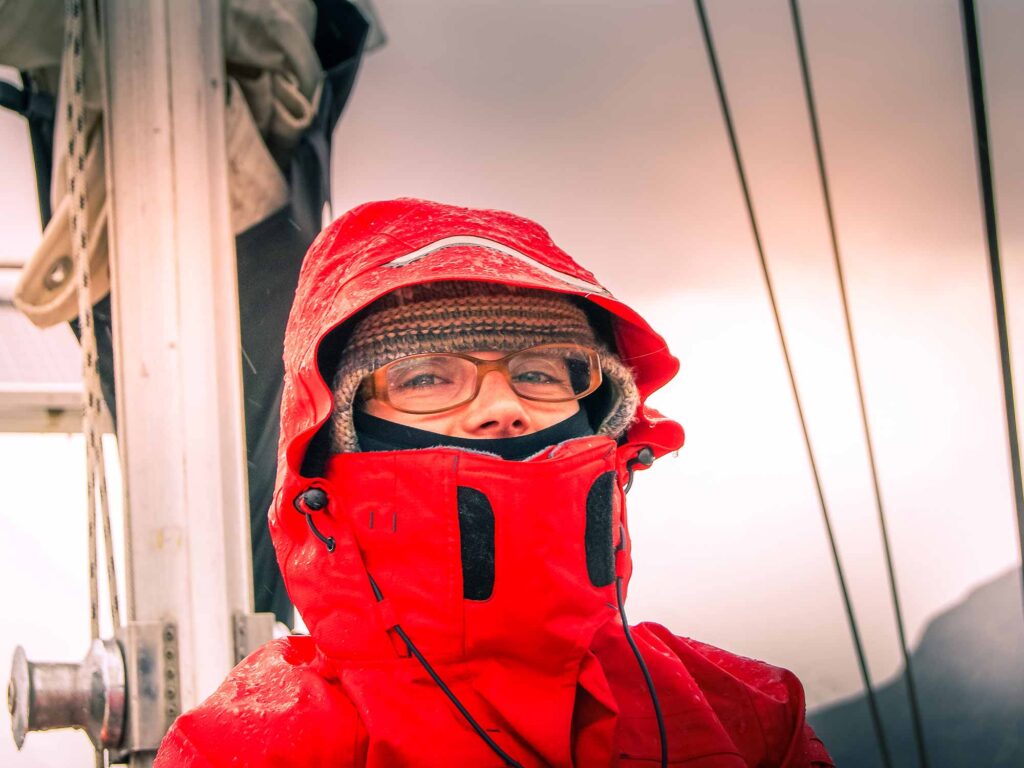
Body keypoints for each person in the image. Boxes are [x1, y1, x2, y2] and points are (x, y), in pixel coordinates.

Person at [154, 198, 833, 767]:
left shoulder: (750, 720)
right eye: (426, 377)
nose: (502, 405)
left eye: (540, 371)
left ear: (603, 414)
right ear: (337, 438)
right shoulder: (247, 752)